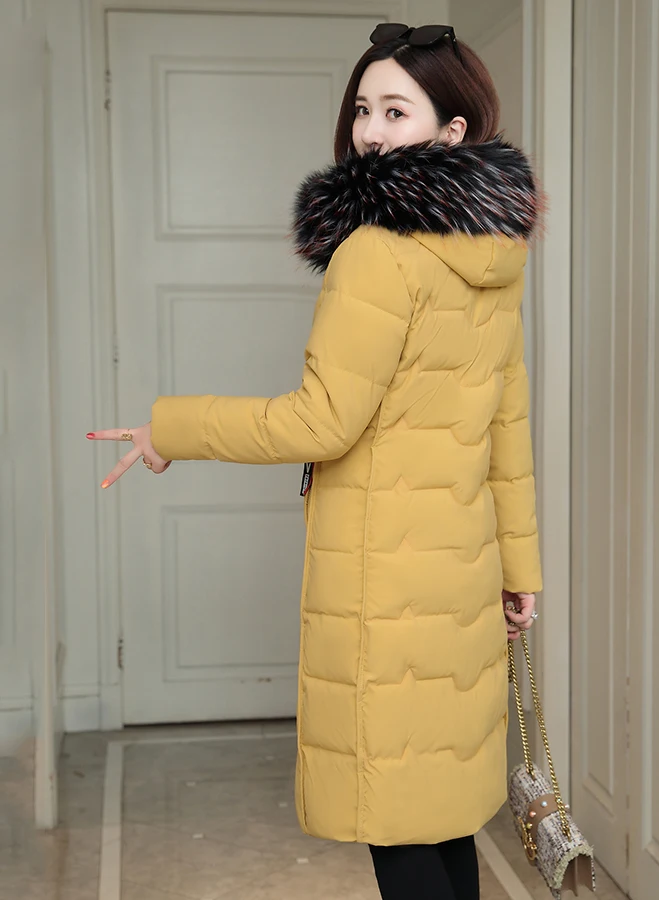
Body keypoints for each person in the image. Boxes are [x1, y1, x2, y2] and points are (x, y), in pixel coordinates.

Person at [87, 22, 543, 900]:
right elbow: (506, 427)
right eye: (363, 108)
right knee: (440, 811)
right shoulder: (495, 253)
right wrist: (520, 570)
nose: (369, 130)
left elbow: (321, 422)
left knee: (393, 822)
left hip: (382, 585)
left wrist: (171, 429)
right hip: (460, 575)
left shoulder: (377, 251)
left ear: (451, 128)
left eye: (396, 111)